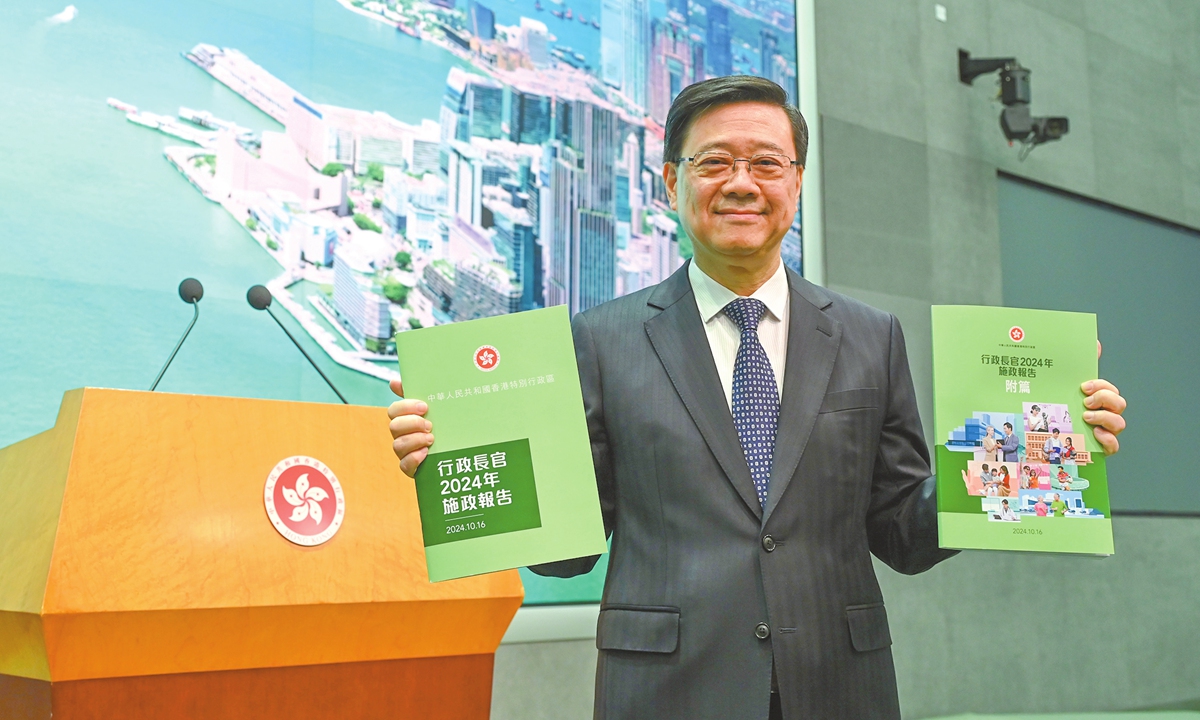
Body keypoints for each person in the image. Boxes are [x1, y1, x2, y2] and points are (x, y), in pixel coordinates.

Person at [386, 76, 1129, 720]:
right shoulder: (600, 340)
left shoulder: (872, 337)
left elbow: (903, 530)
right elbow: (569, 550)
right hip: (666, 690)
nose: (743, 182)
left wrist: (1038, 446)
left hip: (840, 686)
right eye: (715, 162)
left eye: (767, 163)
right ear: (671, 183)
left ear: (796, 183)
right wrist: (458, 463)